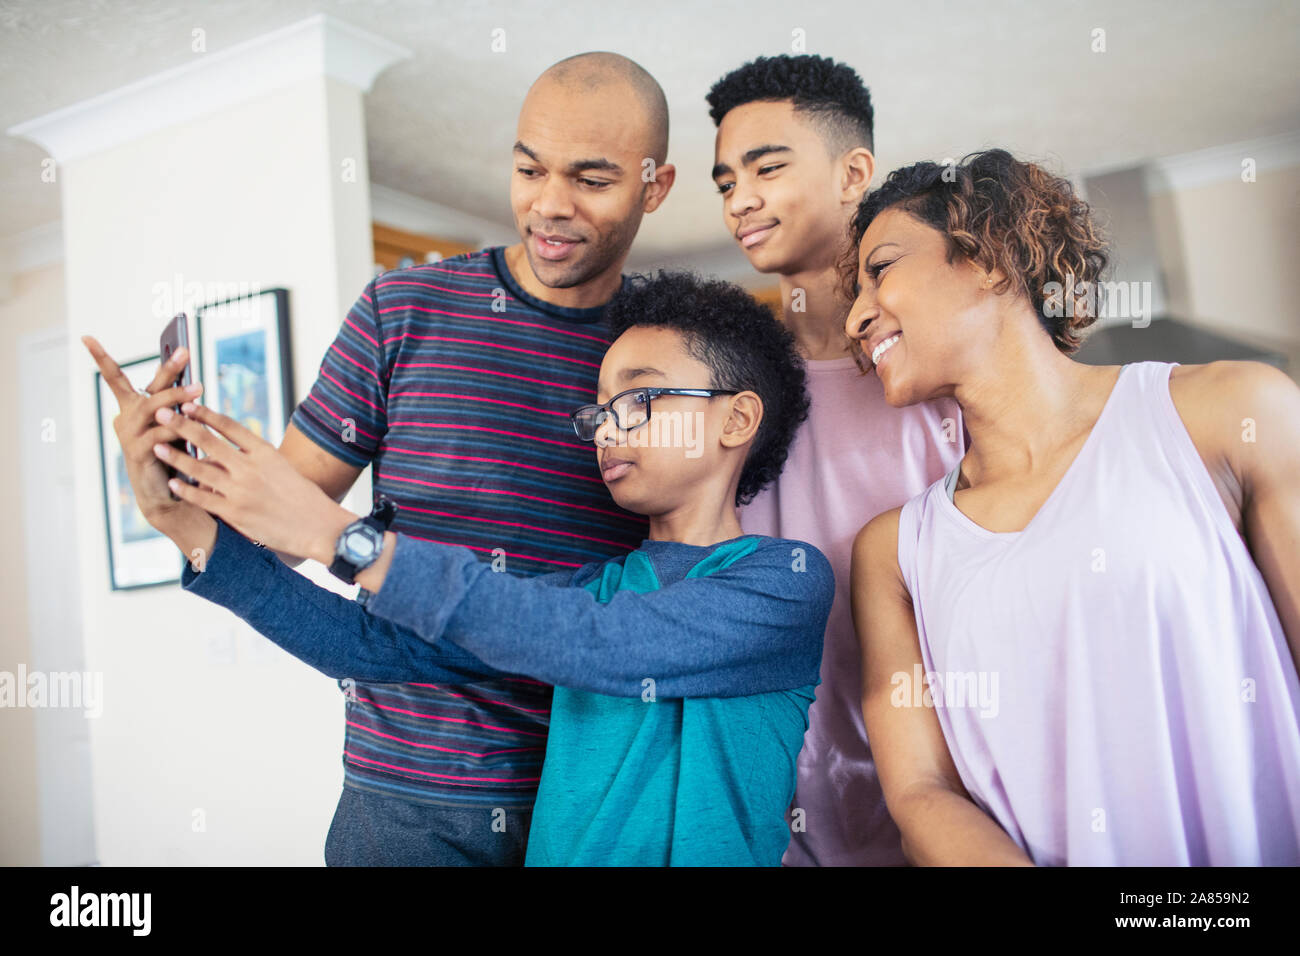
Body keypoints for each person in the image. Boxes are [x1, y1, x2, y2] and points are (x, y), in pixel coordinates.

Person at [91, 51, 677, 866]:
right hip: (405, 804)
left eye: (592, 179)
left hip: (600, 791)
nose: (550, 205)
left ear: (657, 187)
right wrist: (170, 496)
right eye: (528, 168)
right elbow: (281, 529)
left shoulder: (671, 352)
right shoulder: (403, 312)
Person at [88, 271, 834, 866]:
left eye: (637, 399)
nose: (607, 428)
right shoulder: (592, 586)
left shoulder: (785, 581)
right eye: (598, 411)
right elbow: (372, 647)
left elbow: (600, 642)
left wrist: (337, 533)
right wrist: (185, 528)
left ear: (736, 420)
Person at [847, 148, 1300, 865]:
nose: (855, 318)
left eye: (881, 271)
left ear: (987, 255)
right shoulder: (894, 552)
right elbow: (921, 791)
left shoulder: (1232, 412)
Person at [707, 54, 964, 865]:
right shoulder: (724, 384)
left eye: (766, 168)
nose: (738, 199)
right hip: (775, 807)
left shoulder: (939, 371)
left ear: (854, 172)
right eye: (723, 182)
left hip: (952, 796)